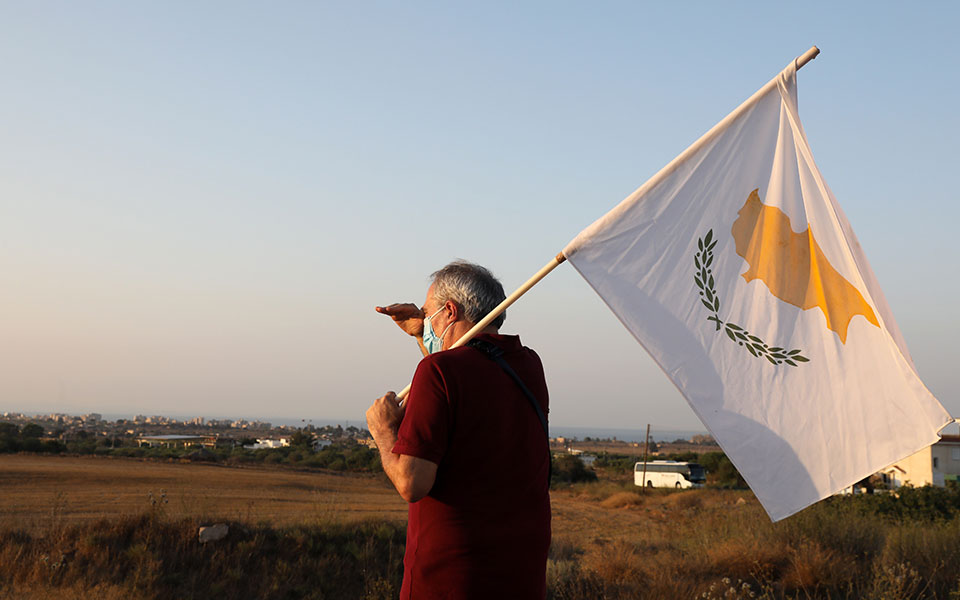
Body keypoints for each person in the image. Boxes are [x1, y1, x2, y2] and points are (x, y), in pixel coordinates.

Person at [366, 260, 551, 599]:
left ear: (449, 311)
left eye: (428, 312)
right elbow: (460, 375)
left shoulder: (437, 371)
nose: (426, 319)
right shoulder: (529, 366)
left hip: (450, 579)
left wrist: (383, 431)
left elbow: (412, 483)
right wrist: (424, 335)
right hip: (520, 575)